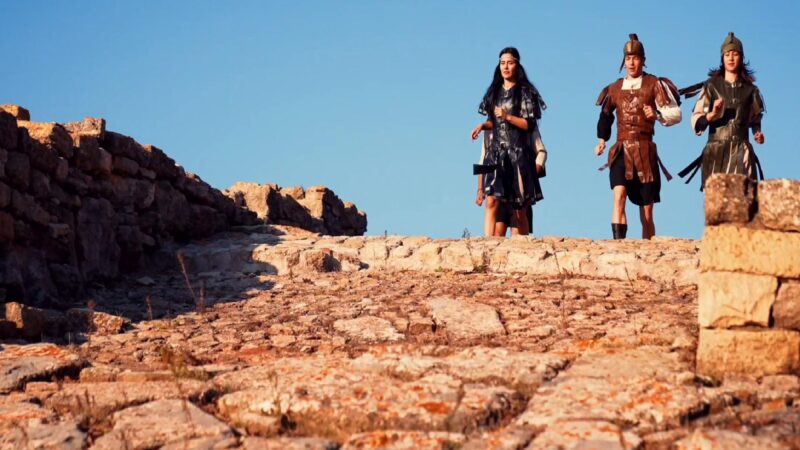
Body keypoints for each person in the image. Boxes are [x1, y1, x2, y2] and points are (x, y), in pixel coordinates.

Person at [595, 34, 681, 240]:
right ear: (623, 61)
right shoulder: (615, 88)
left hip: (644, 151)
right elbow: (605, 116)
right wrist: (602, 140)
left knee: (647, 213)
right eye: (628, 59)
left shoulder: (654, 83)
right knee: (619, 196)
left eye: (635, 58)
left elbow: (676, 113)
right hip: (621, 150)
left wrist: (657, 114)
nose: (631, 63)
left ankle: (648, 249)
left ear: (643, 60)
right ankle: (619, 246)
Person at [471, 47, 547, 237]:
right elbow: (494, 123)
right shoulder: (493, 92)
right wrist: (483, 125)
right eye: (502, 63)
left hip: (518, 154)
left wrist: (507, 116)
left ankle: (523, 245)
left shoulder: (525, 92)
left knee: (519, 209)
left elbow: (529, 124)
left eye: (510, 63)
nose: (505, 67)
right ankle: (487, 243)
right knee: (491, 201)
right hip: (497, 153)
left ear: (517, 65)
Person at [678, 32, 765, 189]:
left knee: (744, 196)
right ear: (722, 58)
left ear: (741, 57)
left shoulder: (751, 90)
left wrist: (757, 133)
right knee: (717, 198)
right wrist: (711, 115)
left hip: (742, 151)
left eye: (735, 54)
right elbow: (696, 119)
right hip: (716, 151)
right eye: (727, 54)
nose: (731, 58)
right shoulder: (711, 86)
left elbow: (755, 119)